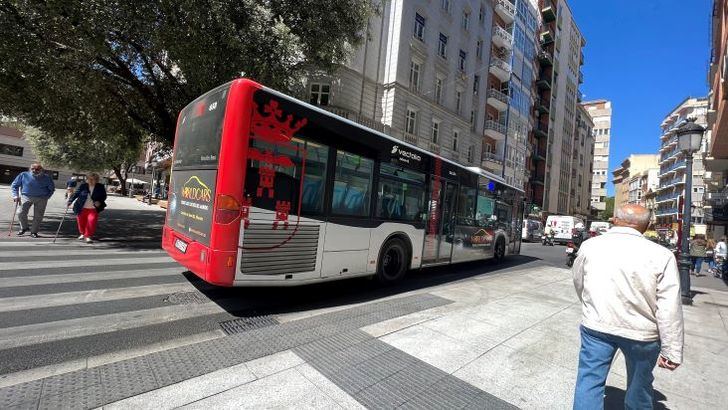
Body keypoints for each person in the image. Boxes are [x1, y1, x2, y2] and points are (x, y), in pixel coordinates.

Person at [572, 204, 683, 409]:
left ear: (614, 220)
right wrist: (672, 349)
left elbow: (579, 283)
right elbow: (669, 306)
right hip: (642, 333)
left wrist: (592, 306)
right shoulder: (662, 255)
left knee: (589, 381)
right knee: (639, 387)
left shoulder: (591, 246)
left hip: (597, 325)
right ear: (647, 225)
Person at [10, 163, 55, 238]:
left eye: (37, 169)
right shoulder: (23, 175)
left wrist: (47, 197)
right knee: (20, 212)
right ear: (30, 169)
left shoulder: (47, 178)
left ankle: (34, 232)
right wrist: (15, 195)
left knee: (38, 216)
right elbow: (14, 185)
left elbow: (52, 189)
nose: (34, 170)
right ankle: (24, 227)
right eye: (32, 169)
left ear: (41, 170)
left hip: (41, 198)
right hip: (26, 196)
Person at [67, 172, 107, 243]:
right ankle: (83, 233)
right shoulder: (83, 186)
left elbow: (104, 196)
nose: (91, 181)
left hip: (93, 208)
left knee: (91, 221)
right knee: (81, 222)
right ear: (87, 179)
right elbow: (76, 194)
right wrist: (70, 201)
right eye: (89, 179)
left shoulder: (100, 186)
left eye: (93, 179)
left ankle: (88, 236)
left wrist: (99, 201)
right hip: (81, 207)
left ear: (96, 180)